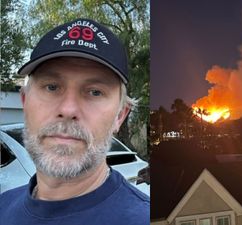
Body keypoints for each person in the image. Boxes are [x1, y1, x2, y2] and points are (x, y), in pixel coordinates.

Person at [0, 18, 149, 225]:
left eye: (95, 92)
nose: (68, 109)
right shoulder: (3, 207)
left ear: (120, 116)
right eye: (51, 87)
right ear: (24, 101)